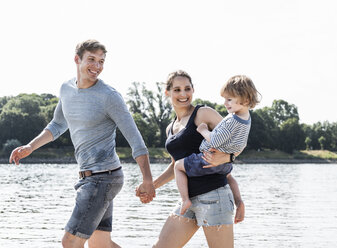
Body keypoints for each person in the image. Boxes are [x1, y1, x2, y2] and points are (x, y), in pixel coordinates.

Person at [9, 39, 155, 248]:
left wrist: (147, 180)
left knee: (70, 241)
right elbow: (57, 124)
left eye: (101, 61)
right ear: (77, 59)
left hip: (103, 178)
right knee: (101, 245)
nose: (97, 66)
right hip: (93, 177)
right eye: (92, 60)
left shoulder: (109, 97)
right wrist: (30, 147)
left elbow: (136, 141)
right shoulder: (66, 89)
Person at [140, 70, 246, 248]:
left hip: (215, 196)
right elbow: (176, 166)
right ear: (168, 93)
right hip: (188, 200)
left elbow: (236, 138)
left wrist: (228, 157)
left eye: (187, 89)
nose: (183, 94)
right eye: (177, 89)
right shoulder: (170, 128)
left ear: (193, 90)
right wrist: (152, 186)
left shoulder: (203, 113)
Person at [174, 75, 259, 215]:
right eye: (225, 99)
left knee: (178, 166)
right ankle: (240, 202)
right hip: (225, 163)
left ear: (246, 100)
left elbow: (214, 140)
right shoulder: (247, 119)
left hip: (207, 159)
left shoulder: (232, 120)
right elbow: (242, 144)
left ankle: (185, 200)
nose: (225, 103)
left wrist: (203, 131)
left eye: (229, 99)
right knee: (229, 176)